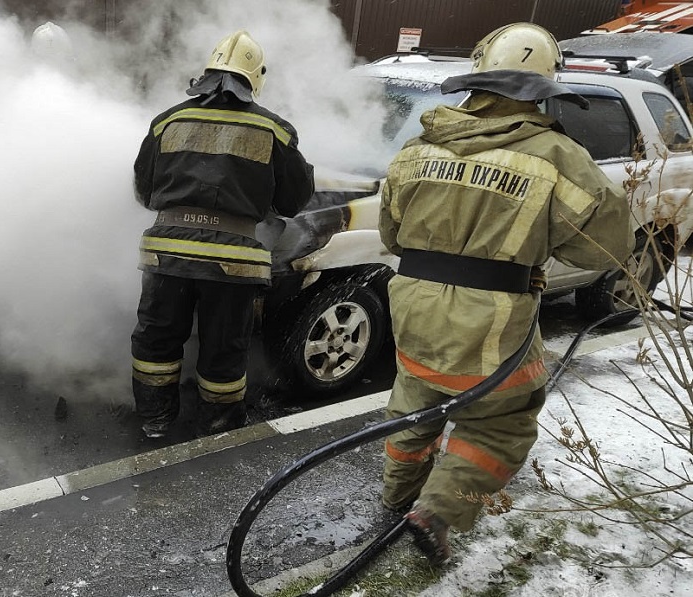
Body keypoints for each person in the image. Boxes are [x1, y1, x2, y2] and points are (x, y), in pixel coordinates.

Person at [377, 23, 634, 565]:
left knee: (414, 403)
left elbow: (392, 235)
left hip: (414, 304)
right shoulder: (558, 156)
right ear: (542, 91)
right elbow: (606, 249)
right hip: (491, 321)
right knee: (501, 424)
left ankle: (396, 499)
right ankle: (435, 511)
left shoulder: (418, 148)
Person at [130, 30, 314, 439]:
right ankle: (217, 424)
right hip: (233, 264)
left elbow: (144, 191)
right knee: (223, 348)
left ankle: (155, 419)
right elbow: (291, 202)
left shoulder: (168, 120)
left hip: (166, 257)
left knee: (157, 340)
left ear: (208, 72)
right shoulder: (275, 131)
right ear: (255, 77)